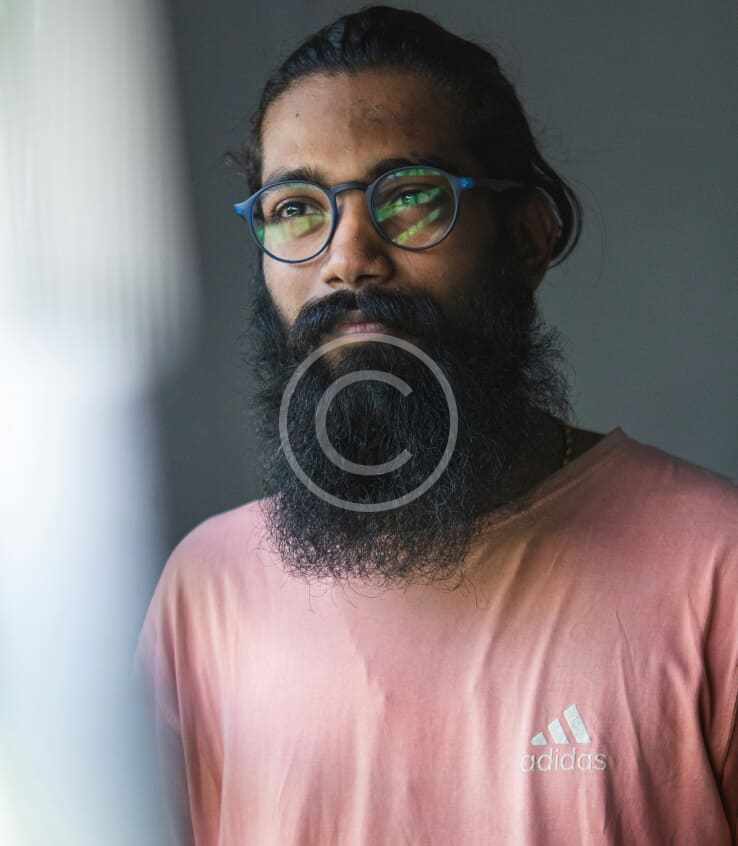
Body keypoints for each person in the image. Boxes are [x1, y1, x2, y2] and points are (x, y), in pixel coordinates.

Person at [134, 6, 738, 844]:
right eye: (297, 208)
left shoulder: (715, 569)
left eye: (411, 197)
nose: (349, 258)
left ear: (527, 237)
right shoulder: (206, 595)